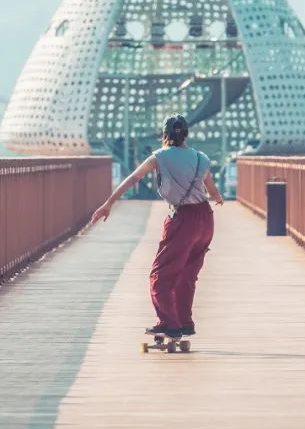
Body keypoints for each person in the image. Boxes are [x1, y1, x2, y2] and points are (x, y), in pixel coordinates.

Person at [90, 115, 223, 338]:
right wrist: (217, 197)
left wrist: (109, 203)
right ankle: (184, 322)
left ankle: (169, 324)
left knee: (160, 276)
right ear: (186, 134)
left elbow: (134, 178)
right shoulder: (201, 158)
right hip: (205, 220)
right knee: (187, 275)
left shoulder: (160, 157)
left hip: (183, 220)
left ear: (165, 135)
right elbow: (211, 189)